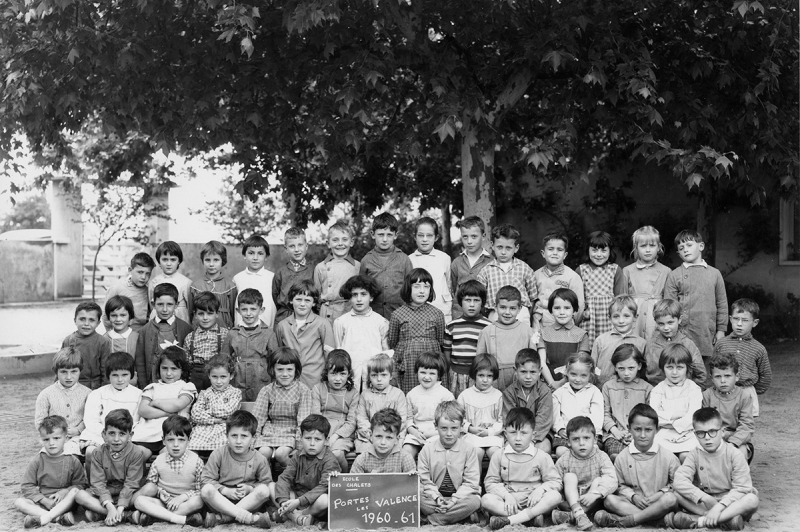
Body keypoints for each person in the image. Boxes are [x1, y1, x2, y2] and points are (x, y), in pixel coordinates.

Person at [671, 407, 759, 530]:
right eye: (701, 433)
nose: (707, 437)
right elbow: (679, 481)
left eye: (712, 431)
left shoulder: (734, 454)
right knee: (676, 493)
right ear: (695, 434)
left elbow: (742, 488)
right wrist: (704, 497)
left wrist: (719, 507)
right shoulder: (694, 454)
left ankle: (701, 520)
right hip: (706, 502)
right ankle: (727, 520)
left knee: (751, 499)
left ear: (722, 431)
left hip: (730, 502)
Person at [595, 404, 681, 528]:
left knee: (671, 499)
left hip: (660, 503)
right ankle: (657, 520)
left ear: (657, 429)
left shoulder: (669, 457)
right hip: (633, 504)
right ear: (629, 428)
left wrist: (660, 494)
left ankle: (630, 520)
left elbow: (677, 484)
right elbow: (619, 485)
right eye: (637, 429)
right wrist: (633, 496)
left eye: (648, 430)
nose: (642, 435)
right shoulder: (622, 458)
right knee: (609, 500)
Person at [482, 407, 563, 530]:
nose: (518, 438)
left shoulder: (541, 456)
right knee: (486, 500)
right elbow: (491, 482)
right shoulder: (499, 455)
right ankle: (531, 517)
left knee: (555, 496)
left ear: (533, 435)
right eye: (513, 432)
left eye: (524, 433)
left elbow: (555, 481)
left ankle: (513, 519)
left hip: (533, 501)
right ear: (505, 434)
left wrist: (540, 490)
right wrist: (506, 496)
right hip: (509, 502)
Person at [199, 410, 274, 528]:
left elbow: (266, 482)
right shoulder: (218, 454)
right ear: (227, 435)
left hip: (249, 503)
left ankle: (222, 518)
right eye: (234, 435)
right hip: (221, 502)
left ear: (253, 438)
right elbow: (205, 480)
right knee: (206, 490)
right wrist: (224, 490)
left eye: (244, 436)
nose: (238, 441)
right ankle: (249, 518)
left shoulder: (259, 458)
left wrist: (250, 489)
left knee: (264, 490)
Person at [663, 229, 729, 362]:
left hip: (706, 330)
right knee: (684, 363)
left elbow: (722, 303)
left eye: (689, 245)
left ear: (701, 246)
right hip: (683, 332)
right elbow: (669, 307)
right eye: (681, 248)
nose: (685, 250)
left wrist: (721, 330)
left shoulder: (714, 274)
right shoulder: (675, 275)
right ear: (678, 253)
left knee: (705, 370)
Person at [74, 409, 148, 525]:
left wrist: (120, 506)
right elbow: (98, 483)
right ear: (104, 434)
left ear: (130, 435)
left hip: (129, 495)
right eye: (112, 433)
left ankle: (106, 513)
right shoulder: (98, 452)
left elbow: (131, 483)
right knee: (80, 495)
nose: (116, 439)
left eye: (122, 434)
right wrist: (110, 507)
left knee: (150, 489)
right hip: (105, 495)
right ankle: (124, 516)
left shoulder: (136, 453)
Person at [14, 415, 87, 528]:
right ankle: (56, 518)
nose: (51, 443)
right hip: (43, 502)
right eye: (46, 439)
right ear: (41, 440)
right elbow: (27, 486)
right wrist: (43, 500)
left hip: (65, 503)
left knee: (75, 492)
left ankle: (44, 517)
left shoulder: (73, 460)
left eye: (56, 438)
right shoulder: (37, 460)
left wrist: (65, 491)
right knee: (19, 502)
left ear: (66, 438)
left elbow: (81, 484)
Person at [131, 415, 204, 527]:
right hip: (164, 503)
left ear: (189, 440)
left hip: (185, 503)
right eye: (170, 440)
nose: (175, 445)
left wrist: (183, 497)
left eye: (181, 440)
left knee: (199, 501)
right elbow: (151, 484)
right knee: (139, 501)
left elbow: (200, 490)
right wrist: (160, 492)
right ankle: (181, 518)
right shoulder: (158, 461)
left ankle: (156, 516)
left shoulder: (196, 461)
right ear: (163, 440)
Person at [418, 401, 482, 526]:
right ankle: (458, 516)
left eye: (454, 428)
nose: (449, 433)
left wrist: (453, 500)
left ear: (461, 426)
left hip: (460, 499)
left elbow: (471, 482)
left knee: (475, 501)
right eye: (444, 428)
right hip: (433, 499)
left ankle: (433, 519)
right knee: (417, 498)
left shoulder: (469, 449)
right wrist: (437, 498)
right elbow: (424, 481)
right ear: (435, 426)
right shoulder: (427, 449)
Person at [273, 414, 341, 526]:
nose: (312, 443)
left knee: (325, 499)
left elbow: (324, 487)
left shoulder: (330, 460)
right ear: (301, 438)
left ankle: (292, 515)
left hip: (314, 503)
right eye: (308, 438)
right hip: (296, 498)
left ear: (326, 440)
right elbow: (285, 477)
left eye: (317, 439)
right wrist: (284, 502)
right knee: (272, 486)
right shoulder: (298, 455)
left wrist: (298, 502)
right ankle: (298, 518)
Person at [552, 416, 618, 531]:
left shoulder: (601, 456)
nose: (581, 443)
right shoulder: (564, 459)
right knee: (569, 476)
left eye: (586, 438)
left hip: (593, 501)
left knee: (599, 480)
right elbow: (554, 480)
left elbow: (612, 479)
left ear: (595, 439)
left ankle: (574, 516)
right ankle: (579, 513)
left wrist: (595, 494)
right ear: (568, 442)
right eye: (576, 439)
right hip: (571, 502)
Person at [132, 346, 197, 457]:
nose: (168, 373)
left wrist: (155, 403)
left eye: (174, 369)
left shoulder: (186, 387)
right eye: (164, 368)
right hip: (147, 434)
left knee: (167, 456)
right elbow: (143, 410)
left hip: (173, 435)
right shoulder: (152, 387)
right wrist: (168, 413)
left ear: (182, 370)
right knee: (138, 455)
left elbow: (178, 404)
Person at [253, 347, 313, 468]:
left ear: (296, 370)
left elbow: (303, 421)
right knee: (263, 453)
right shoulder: (267, 391)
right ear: (273, 370)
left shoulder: (303, 391)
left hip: (291, 432)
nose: (285, 374)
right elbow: (258, 418)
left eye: (289, 369)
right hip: (270, 431)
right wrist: (253, 438)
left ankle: (293, 478)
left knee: (281, 454)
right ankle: (266, 481)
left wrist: (300, 444)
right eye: (280, 369)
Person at [389, 268, 446, 393]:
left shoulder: (437, 314)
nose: (421, 291)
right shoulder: (397, 314)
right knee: (410, 394)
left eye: (426, 287)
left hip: (431, 360)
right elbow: (392, 342)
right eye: (417, 286)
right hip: (408, 362)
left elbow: (441, 340)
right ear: (408, 288)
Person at [713, 298, 771, 417]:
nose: (739, 324)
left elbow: (765, 374)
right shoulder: (721, 344)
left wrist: (752, 390)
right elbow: (713, 368)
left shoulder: (758, 348)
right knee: (722, 426)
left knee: (745, 428)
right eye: (736, 319)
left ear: (754, 322)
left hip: (746, 391)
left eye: (745, 320)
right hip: (723, 392)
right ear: (730, 319)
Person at [221, 288, 280, 401]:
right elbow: (224, 358)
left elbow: (275, 360)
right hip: (238, 379)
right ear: (238, 310)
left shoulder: (268, 333)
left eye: (253, 309)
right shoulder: (233, 333)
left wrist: (273, 381)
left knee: (260, 408)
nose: (248, 313)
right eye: (244, 309)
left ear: (261, 310)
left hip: (261, 380)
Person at [79, 352, 141, 459]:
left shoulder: (139, 395)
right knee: (91, 452)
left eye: (124, 375)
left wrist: (122, 436)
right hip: (100, 436)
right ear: (108, 375)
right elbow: (91, 420)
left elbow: (137, 421)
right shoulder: (98, 394)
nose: (120, 380)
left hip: (126, 437)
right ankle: (93, 476)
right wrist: (108, 435)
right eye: (115, 375)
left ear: (131, 374)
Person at [334, 275, 391, 392]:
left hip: (374, 376)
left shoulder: (381, 322)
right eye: (355, 295)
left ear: (371, 297)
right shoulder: (341, 322)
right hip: (350, 373)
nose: (359, 299)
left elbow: (385, 352)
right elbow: (338, 349)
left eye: (363, 294)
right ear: (350, 297)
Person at [275, 279, 335, 388]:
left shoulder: (323, 324)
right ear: (291, 300)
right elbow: (279, 355)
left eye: (307, 300)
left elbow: (330, 356)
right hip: (289, 381)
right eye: (298, 299)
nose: (302, 304)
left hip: (315, 381)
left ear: (314, 303)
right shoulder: (282, 326)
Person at [649, 344, 703, 461]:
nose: (674, 372)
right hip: (664, 434)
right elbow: (654, 416)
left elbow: (693, 417)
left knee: (687, 456)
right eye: (669, 367)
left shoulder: (693, 389)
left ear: (687, 368)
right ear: (663, 367)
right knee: (660, 456)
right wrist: (675, 415)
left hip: (688, 434)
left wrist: (670, 422)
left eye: (679, 367)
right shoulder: (658, 390)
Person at [477, 286, 536, 390]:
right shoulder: (487, 331)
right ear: (495, 307)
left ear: (519, 309)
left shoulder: (528, 331)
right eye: (503, 307)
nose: (507, 312)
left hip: (520, 382)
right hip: (494, 383)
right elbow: (480, 362)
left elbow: (533, 361)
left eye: (512, 308)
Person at [34, 347, 91, 456]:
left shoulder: (88, 394)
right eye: (64, 372)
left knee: (71, 452)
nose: (69, 377)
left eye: (74, 371)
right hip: (53, 438)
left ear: (80, 370)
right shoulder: (46, 394)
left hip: (79, 438)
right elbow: (40, 422)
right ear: (56, 371)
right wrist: (56, 433)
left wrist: (78, 430)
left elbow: (91, 418)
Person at [477, 223, 538, 324]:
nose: (503, 252)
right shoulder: (485, 271)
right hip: (495, 313)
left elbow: (533, 297)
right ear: (492, 245)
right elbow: (480, 298)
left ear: (516, 248)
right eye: (500, 247)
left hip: (520, 314)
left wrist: (525, 313)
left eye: (508, 248)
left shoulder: (524, 268)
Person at [600, 344, 653, 462]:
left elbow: (650, 417)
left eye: (631, 368)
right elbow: (604, 413)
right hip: (614, 434)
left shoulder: (647, 389)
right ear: (615, 367)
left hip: (640, 433)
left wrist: (635, 434)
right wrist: (615, 431)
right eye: (621, 368)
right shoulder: (608, 387)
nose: (626, 373)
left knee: (641, 455)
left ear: (639, 366)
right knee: (617, 455)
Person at [134, 283, 193, 387]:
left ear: (177, 304)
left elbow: (188, 360)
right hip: (153, 384)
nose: (165, 309)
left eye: (169, 304)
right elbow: (140, 362)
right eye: (160, 304)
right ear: (153, 304)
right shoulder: (144, 331)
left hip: (177, 385)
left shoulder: (185, 329)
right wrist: (144, 386)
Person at [311, 349, 360, 472]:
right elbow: (316, 416)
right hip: (321, 430)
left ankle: (344, 477)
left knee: (336, 453)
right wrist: (323, 434)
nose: (338, 379)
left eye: (342, 374)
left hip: (342, 433)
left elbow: (351, 422)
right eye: (333, 374)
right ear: (326, 373)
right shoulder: (318, 389)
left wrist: (335, 436)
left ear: (349, 373)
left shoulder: (353, 393)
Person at [359, 211, 414, 320]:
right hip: (372, 316)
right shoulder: (366, 260)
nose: (385, 239)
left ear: (396, 235)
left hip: (399, 316)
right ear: (372, 234)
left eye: (389, 235)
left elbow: (411, 289)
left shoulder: (404, 259)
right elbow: (361, 289)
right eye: (380, 234)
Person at [703, 353, 755, 462]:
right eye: (718, 376)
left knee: (740, 453)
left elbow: (746, 425)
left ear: (737, 376)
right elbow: (704, 422)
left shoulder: (744, 396)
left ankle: (738, 478)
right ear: (711, 378)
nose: (722, 381)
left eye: (727, 376)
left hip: (736, 438)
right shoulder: (707, 395)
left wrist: (732, 442)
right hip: (713, 436)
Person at [443, 280, 492, 397]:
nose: (472, 304)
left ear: (482, 303)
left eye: (476, 300)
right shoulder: (452, 326)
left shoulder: (488, 327)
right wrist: (450, 369)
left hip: (478, 375)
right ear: (460, 302)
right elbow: (447, 350)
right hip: (456, 375)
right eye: (467, 300)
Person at [402, 352, 455, 459]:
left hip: (437, 434)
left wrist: (430, 434)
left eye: (432, 373)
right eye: (423, 372)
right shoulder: (412, 394)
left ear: (439, 375)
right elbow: (409, 419)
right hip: (416, 433)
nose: (427, 377)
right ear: (417, 372)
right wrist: (414, 432)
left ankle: (430, 475)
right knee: (406, 452)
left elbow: (449, 422)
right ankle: (410, 474)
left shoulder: (446, 395)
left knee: (432, 453)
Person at [622, 226, 670, 340]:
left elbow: (669, 300)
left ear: (658, 247)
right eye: (643, 246)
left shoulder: (666, 271)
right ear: (636, 248)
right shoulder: (627, 271)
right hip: (635, 316)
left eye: (652, 246)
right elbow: (623, 299)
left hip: (656, 316)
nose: (648, 250)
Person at [578, 231, 625, 348]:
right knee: (586, 348)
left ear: (610, 251)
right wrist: (583, 312)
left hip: (608, 318)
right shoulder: (581, 270)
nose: (599, 254)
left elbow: (620, 298)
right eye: (594, 250)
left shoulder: (615, 269)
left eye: (603, 250)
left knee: (609, 347)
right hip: (589, 318)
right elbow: (577, 298)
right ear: (587, 250)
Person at [645, 299, 707, 387]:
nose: (666, 328)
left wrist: (694, 393)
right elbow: (643, 373)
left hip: (683, 394)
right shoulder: (650, 345)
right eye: (661, 324)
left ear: (679, 319)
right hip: (656, 393)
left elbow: (700, 374)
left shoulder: (688, 344)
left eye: (670, 323)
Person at [355, 353, 409, 453]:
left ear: (391, 376)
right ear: (369, 376)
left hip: (392, 435)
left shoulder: (398, 394)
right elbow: (361, 418)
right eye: (374, 375)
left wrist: (387, 434)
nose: (379, 379)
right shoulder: (365, 395)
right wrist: (372, 435)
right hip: (369, 436)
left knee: (395, 452)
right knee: (366, 453)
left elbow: (402, 419)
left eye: (383, 375)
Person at [501, 348, 553, 453]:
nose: (528, 377)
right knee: (509, 449)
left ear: (540, 371)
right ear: (515, 370)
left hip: (539, 434)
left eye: (533, 372)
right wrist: (521, 438)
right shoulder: (509, 392)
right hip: (516, 433)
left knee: (544, 449)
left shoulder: (545, 391)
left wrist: (531, 439)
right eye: (523, 372)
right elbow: (510, 419)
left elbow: (543, 420)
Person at [551, 353, 604, 458]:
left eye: (583, 375)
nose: (577, 379)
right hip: (566, 435)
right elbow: (554, 415)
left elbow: (597, 416)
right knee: (561, 452)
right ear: (567, 373)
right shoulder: (560, 393)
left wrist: (590, 431)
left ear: (590, 375)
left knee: (593, 451)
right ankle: (568, 472)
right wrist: (560, 429)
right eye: (573, 374)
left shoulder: (594, 392)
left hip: (588, 434)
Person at [537, 288, 590, 389]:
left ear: (574, 310)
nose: (562, 312)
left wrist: (563, 382)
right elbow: (541, 362)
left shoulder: (581, 335)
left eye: (567, 308)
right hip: (548, 385)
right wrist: (552, 383)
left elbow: (581, 364)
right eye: (557, 308)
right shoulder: (543, 333)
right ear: (551, 310)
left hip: (574, 384)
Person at [189, 354, 242, 452]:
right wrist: (215, 420)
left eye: (223, 377)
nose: (218, 381)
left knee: (224, 447)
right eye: (214, 377)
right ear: (209, 375)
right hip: (204, 428)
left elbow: (228, 411)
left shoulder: (235, 393)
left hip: (224, 428)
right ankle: (197, 465)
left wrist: (207, 411)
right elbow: (195, 414)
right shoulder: (204, 393)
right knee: (192, 445)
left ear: (231, 376)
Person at [591, 295, 647, 387]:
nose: (621, 321)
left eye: (626, 316)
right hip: (603, 389)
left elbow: (644, 372)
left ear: (635, 317)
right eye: (616, 316)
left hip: (632, 390)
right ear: (609, 318)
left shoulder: (642, 343)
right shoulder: (600, 341)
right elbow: (592, 369)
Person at [532, 231, 584, 329]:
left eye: (559, 250)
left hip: (562, 325)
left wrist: (569, 324)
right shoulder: (535, 275)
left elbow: (579, 307)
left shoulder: (572, 277)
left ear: (565, 255)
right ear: (543, 253)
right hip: (538, 324)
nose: (555, 253)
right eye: (550, 249)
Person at [458, 354, 504, 462]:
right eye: (481, 375)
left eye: (489, 376)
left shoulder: (498, 396)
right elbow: (459, 419)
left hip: (493, 435)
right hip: (471, 435)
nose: (485, 380)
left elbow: (502, 420)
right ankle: (476, 479)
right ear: (474, 375)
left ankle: (494, 478)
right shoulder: (465, 396)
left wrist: (489, 432)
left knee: (495, 452)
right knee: (476, 452)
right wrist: (470, 428)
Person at [409, 217, 453, 322]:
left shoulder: (444, 258)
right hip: (417, 314)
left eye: (429, 235)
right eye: (420, 235)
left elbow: (449, 284)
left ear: (436, 237)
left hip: (442, 311)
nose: (424, 239)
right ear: (415, 237)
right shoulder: (409, 260)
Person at [315, 220, 360, 322]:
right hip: (327, 314)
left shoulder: (357, 266)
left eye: (344, 239)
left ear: (351, 242)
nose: (340, 244)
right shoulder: (320, 267)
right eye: (335, 240)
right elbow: (316, 296)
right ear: (328, 243)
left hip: (350, 311)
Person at [184, 290, 229, 390]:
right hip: (196, 376)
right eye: (201, 314)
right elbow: (187, 363)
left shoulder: (225, 334)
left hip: (217, 376)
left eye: (209, 313)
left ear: (217, 314)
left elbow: (229, 359)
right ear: (195, 314)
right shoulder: (190, 337)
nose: (205, 318)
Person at [450, 216, 493, 320]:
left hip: (483, 317)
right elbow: (453, 287)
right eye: (465, 237)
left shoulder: (491, 262)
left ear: (483, 236)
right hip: (459, 316)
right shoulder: (457, 262)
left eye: (474, 237)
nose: (469, 241)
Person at [61, 301, 112, 390]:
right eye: (82, 319)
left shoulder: (103, 342)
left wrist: (104, 393)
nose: (86, 324)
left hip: (94, 388)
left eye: (91, 320)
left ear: (98, 323)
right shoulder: (68, 340)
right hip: (72, 387)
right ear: (75, 320)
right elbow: (60, 366)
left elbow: (106, 371)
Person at [188, 240, 237, 328]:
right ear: (202, 261)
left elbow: (234, 313)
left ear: (223, 261)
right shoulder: (195, 286)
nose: (211, 264)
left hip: (224, 327)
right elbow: (191, 312)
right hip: (201, 328)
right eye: (207, 260)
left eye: (216, 260)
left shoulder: (230, 286)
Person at [102, 252, 156, 332]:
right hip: (121, 332)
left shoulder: (150, 289)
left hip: (143, 332)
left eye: (147, 273)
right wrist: (110, 332)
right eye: (140, 272)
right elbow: (106, 313)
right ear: (130, 270)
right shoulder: (117, 288)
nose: (144, 277)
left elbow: (153, 311)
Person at [350, 408, 416, 473]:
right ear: (371, 435)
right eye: (378, 436)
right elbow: (354, 482)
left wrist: (412, 477)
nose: (383, 442)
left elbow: (412, 483)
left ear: (397, 439)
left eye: (389, 437)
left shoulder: (405, 459)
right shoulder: (362, 460)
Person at [233, 234, 277, 327]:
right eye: (251, 253)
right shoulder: (237, 278)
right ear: (244, 255)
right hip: (242, 331)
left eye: (260, 254)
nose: (255, 258)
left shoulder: (272, 277)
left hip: (266, 329)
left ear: (266, 256)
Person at [273, 227, 315, 324]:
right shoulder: (280, 272)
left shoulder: (313, 270)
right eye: (292, 246)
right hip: (284, 317)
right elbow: (275, 295)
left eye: (300, 245)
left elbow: (316, 295)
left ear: (306, 246)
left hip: (306, 317)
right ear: (286, 249)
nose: (297, 250)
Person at [148, 241, 192, 323]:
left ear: (178, 261)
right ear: (159, 261)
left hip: (180, 318)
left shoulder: (186, 282)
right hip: (159, 318)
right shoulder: (154, 282)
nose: (169, 263)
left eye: (173, 260)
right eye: (165, 259)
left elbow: (190, 307)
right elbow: (152, 304)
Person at [103, 296, 139, 360]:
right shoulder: (105, 339)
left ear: (130, 316)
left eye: (123, 315)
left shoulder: (137, 338)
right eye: (114, 315)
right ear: (108, 317)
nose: (118, 319)